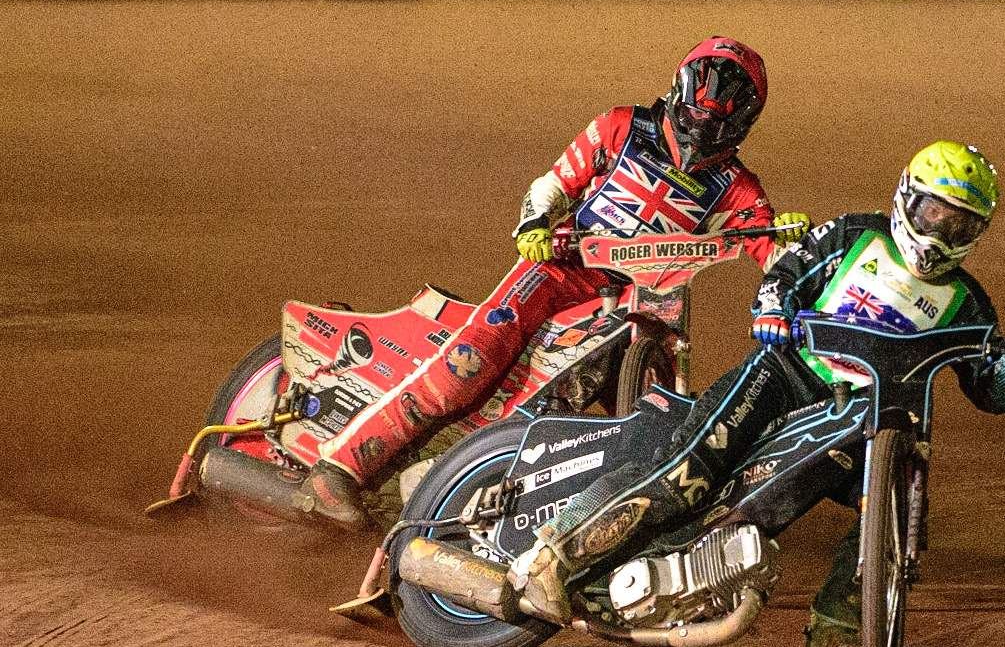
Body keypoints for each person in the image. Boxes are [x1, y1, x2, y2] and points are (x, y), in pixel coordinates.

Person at [505, 141, 1005, 647]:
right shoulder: (852, 236)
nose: (941, 231)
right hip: (784, 374)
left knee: (888, 507)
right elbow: (785, 273)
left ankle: (841, 622)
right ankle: (555, 558)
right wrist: (772, 310)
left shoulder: (971, 305)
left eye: (959, 222)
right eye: (933, 211)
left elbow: (992, 392)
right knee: (690, 470)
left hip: (865, 419)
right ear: (906, 197)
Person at [297, 37, 808, 531]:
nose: (702, 127)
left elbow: (774, 253)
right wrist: (535, 224)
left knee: (661, 422)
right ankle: (340, 469)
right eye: (697, 111)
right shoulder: (621, 127)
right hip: (562, 270)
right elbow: (553, 185)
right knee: (470, 361)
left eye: (718, 121)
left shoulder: (739, 188)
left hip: (648, 302)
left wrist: (799, 248)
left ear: (742, 124)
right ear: (678, 91)